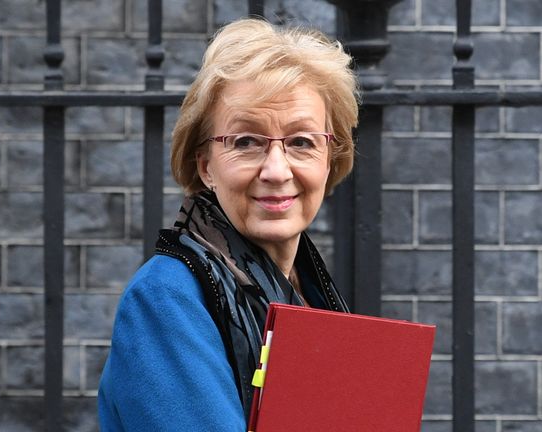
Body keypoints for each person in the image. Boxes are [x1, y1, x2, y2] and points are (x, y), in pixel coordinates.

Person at [97, 17, 359, 431]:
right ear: (206, 167)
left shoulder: (308, 295)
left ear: (331, 160)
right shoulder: (167, 299)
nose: (277, 170)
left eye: (301, 142)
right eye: (246, 141)